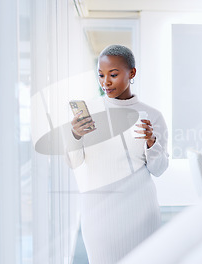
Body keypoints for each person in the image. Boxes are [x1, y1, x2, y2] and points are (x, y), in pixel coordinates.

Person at [66, 44, 169, 263]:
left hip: (140, 211)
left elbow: (159, 169)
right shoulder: (89, 112)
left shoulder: (152, 115)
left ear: (132, 73)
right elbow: (74, 163)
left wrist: (151, 142)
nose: (106, 82)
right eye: (101, 75)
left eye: (113, 74)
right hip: (98, 213)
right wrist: (74, 136)